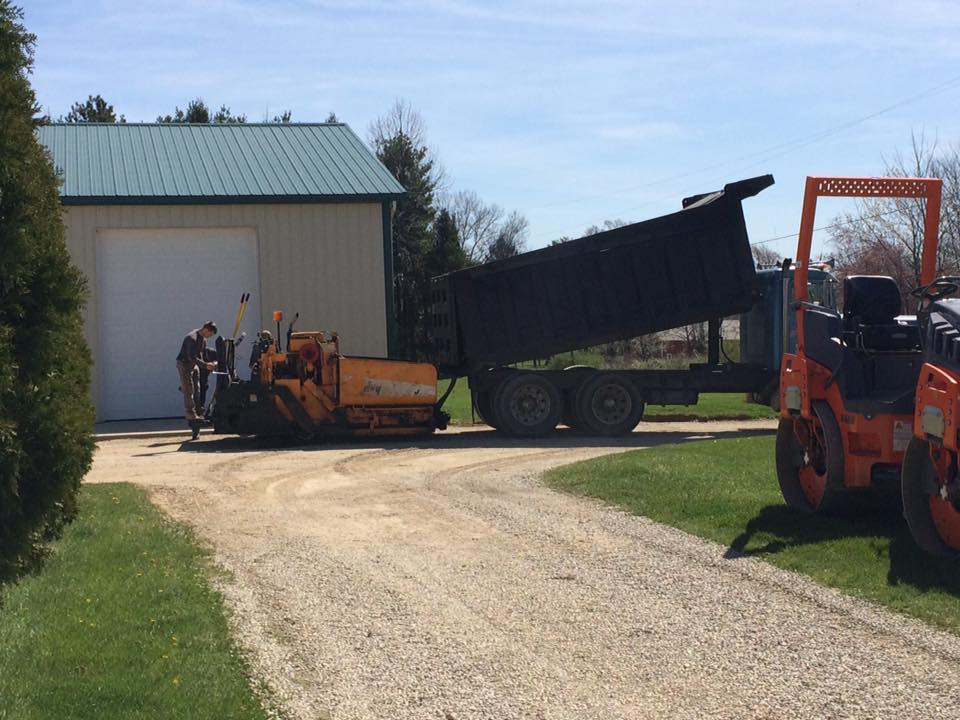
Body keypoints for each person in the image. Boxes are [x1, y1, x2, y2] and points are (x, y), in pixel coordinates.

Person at [176, 321, 218, 439]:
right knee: (189, 391)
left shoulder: (203, 339)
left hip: (194, 365)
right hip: (184, 364)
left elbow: (201, 355)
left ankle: (198, 410)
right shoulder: (191, 338)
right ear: (206, 330)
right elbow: (191, 357)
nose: (209, 337)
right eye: (210, 334)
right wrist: (205, 365)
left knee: (197, 389)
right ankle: (191, 414)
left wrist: (211, 362)